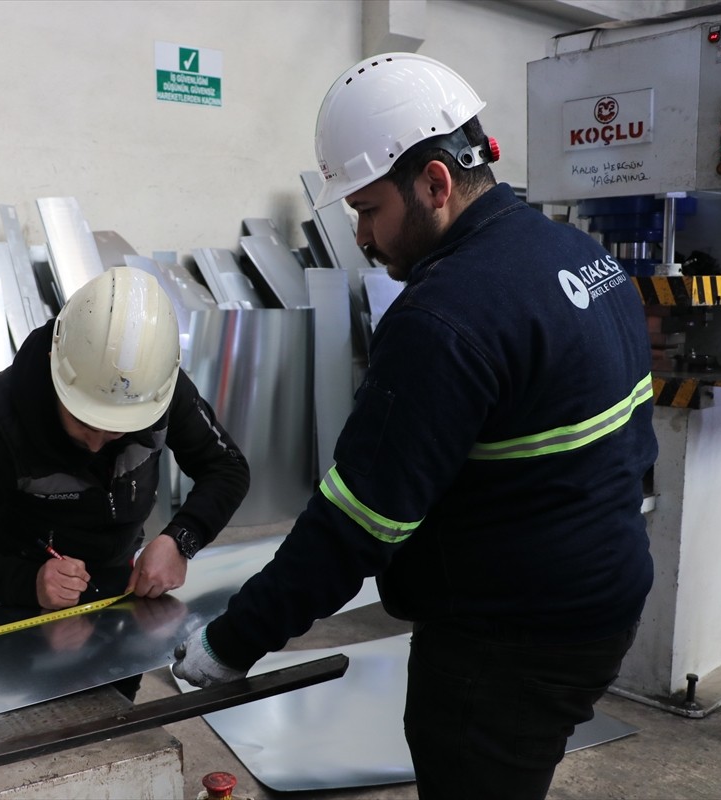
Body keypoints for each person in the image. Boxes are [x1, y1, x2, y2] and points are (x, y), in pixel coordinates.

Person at [172, 53, 657, 799]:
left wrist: (229, 644)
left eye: (369, 210)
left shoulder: (444, 317)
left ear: (435, 181)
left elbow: (355, 524)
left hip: (507, 644)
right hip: (599, 603)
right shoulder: (579, 257)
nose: (363, 236)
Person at [0, 266, 250, 678]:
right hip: (26, 603)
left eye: (118, 428)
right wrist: (29, 582)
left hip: (125, 590)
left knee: (117, 713)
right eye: (85, 422)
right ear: (60, 377)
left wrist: (181, 539)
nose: (97, 442)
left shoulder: (157, 389)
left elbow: (227, 467)